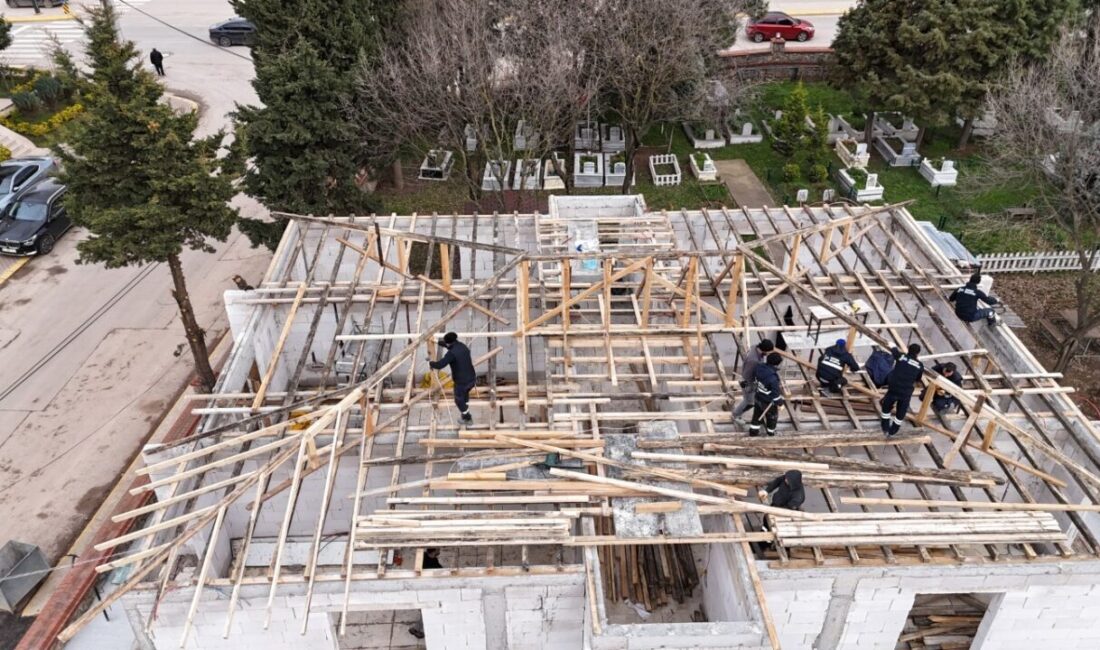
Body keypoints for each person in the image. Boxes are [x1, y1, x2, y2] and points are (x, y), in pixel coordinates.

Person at [428, 332, 476, 424]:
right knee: (464, 396)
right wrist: (436, 341)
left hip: (461, 382)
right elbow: (447, 345)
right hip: (472, 378)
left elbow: (440, 365)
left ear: (449, 343)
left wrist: (430, 363)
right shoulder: (462, 346)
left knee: (458, 400)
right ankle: (465, 410)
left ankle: (467, 418)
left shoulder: (451, 354)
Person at [880, 344, 924, 437]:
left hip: (894, 388)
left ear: (908, 349)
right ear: (918, 353)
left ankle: (885, 428)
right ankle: (893, 431)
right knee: (901, 411)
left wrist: (892, 345)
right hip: (905, 391)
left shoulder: (901, 356)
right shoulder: (920, 365)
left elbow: (894, 350)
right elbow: (918, 378)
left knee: (886, 407)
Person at [732, 339, 775, 421]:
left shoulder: (755, 347)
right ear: (764, 350)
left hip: (750, 380)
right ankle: (735, 415)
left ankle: (737, 414)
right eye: (768, 351)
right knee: (749, 402)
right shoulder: (753, 360)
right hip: (748, 382)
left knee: (750, 401)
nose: (768, 353)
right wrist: (751, 385)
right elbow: (747, 374)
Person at [408, 549, 443, 639]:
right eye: (437, 550)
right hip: (427, 590)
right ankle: (416, 629)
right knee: (427, 611)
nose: (439, 551)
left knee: (425, 611)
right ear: (433, 552)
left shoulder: (424, 556)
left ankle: (416, 628)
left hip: (420, 588)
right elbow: (440, 572)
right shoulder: (433, 564)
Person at [748, 352, 784, 437]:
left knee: (757, 415)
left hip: (758, 397)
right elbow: (775, 396)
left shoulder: (759, 367)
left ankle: (753, 432)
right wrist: (780, 404)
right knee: (772, 417)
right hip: (767, 402)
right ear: (776, 364)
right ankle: (771, 433)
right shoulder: (773, 378)